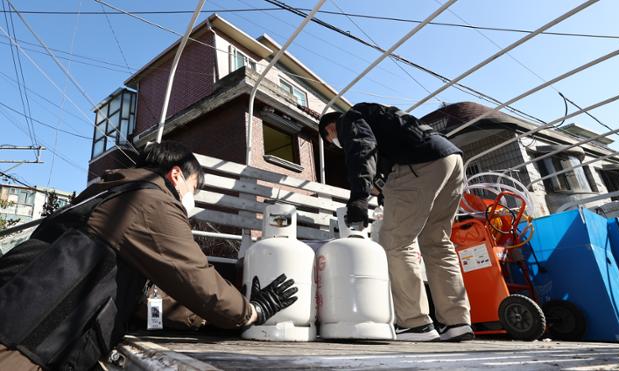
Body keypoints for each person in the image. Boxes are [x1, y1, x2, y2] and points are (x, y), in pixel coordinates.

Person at [0, 141, 297, 370]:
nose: (191, 200)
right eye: (194, 188)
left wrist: (211, 320)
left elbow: (146, 297)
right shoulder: (149, 200)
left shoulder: (107, 191)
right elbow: (196, 277)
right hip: (22, 347)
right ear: (176, 174)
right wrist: (250, 312)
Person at [319, 103, 472, 342]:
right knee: (437, 242)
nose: (335, 143)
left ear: (330, 127)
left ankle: (415, 323)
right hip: (450, 159)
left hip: (419, 163)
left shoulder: (348, 119)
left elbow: (361, 148)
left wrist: (359, 197)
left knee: (396, 242)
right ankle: (457, 322)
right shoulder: (377, 116)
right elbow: (386, 155)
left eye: (330, 139)